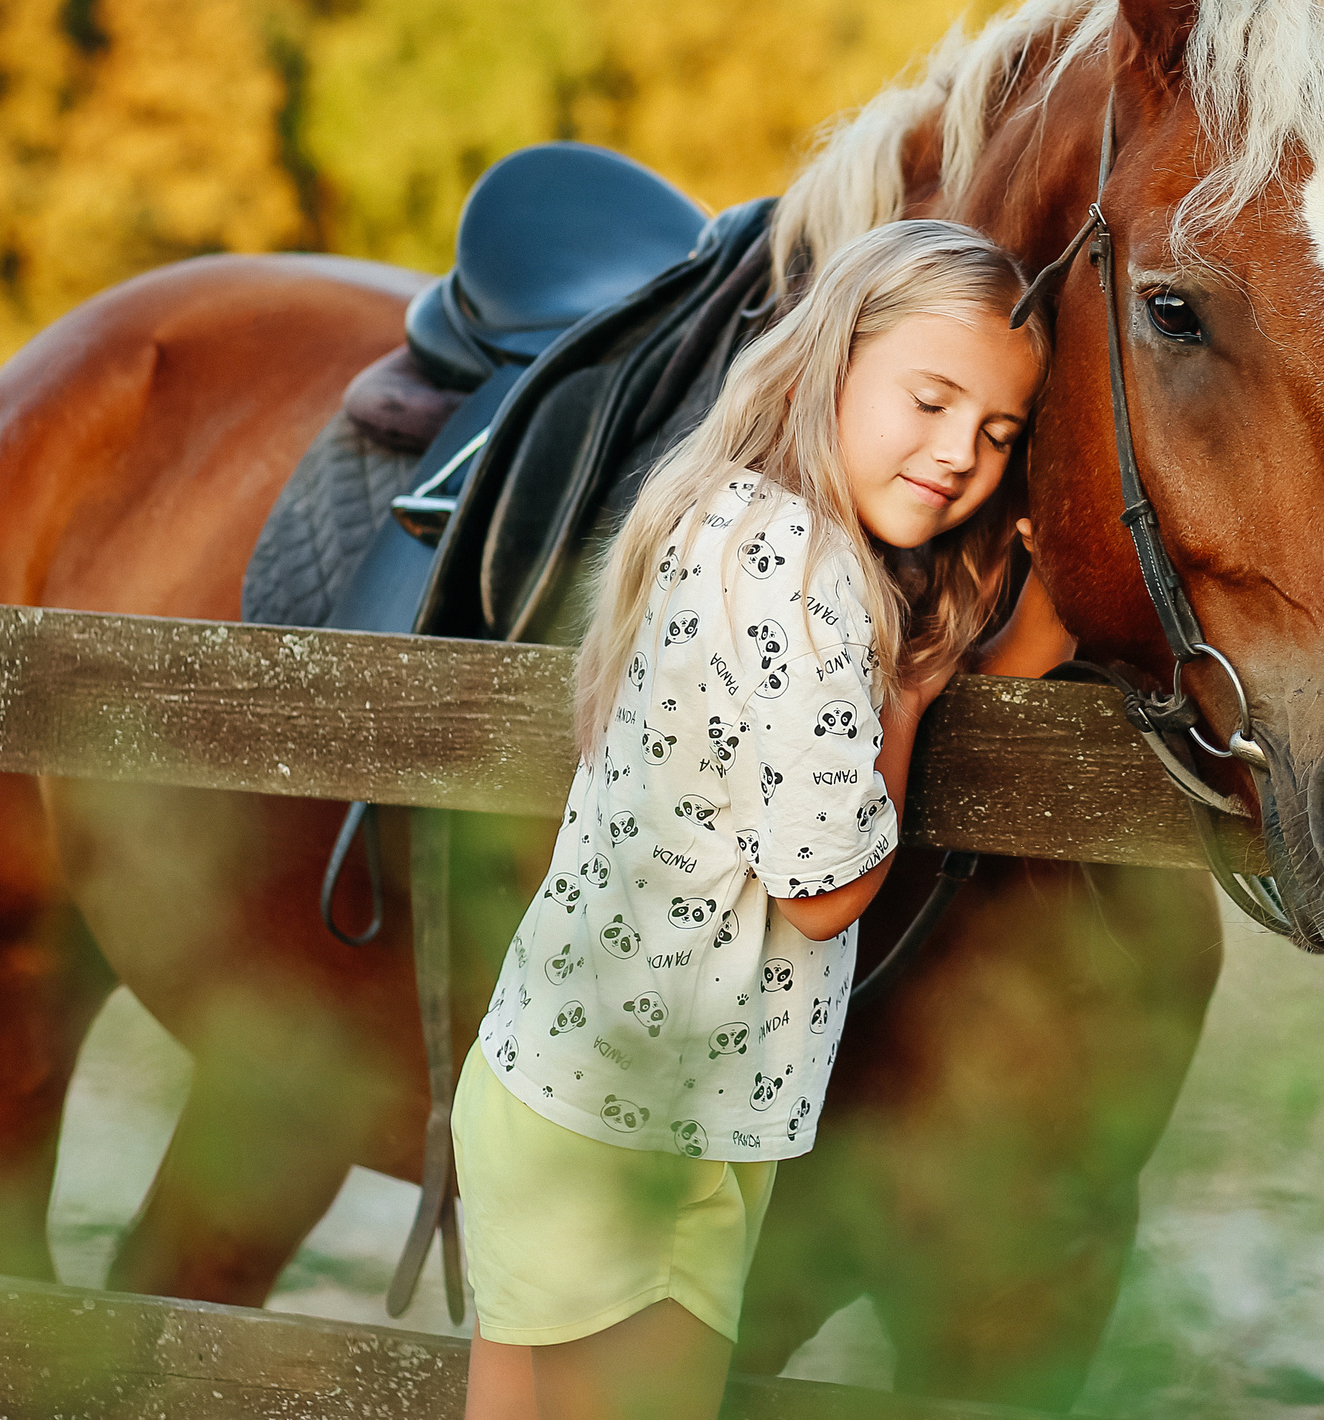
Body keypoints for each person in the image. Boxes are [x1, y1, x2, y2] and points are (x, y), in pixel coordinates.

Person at [456, 218, 1076, 1420]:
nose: (961, 453)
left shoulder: (729, 517)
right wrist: (911, 701)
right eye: (930, 401)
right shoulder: (804, 574)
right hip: (639, 1127)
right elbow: (824, 891)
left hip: (566, 1083)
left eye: (1000, 433)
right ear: (826, 367)